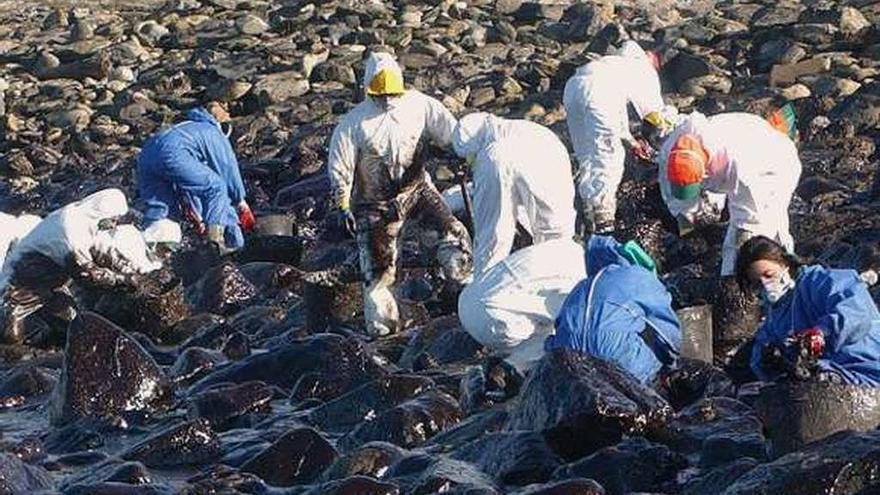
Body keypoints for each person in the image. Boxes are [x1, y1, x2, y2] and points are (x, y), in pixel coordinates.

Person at [327, 51, 472, 336]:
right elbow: (339, 166)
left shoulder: (421, 106)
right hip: (374, 205)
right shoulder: (354, 123)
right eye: (381, 94)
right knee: (380, 273)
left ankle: (464, 297)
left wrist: (461, 152)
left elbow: (448, 132)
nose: (387, 99)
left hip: (417, 190)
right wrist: (342, 202)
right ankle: (385, 332)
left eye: (392, 93)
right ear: (368, 89)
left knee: (453, 235)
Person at [0, 189, 161, 344]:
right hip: (18, 289)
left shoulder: (88, 221)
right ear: (102, 212)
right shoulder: (69, 226)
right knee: (11, 336)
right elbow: (86, 274)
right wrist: (125, 280)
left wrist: (137, 271)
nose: (114, 224)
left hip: (51, 289)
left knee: (75, 329)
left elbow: (103, 252)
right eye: (113, 219)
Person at [658, 111, 802, 276]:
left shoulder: (742, 166)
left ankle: (786, 274)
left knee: (762, 235)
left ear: (704, 169)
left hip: (774, 167)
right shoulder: (669, 151)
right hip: (726, 167)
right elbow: (673, 194)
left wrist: (740, 254)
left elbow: (748, 221)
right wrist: (686, 223)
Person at [736, 236, 880, 387]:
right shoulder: (775, 316)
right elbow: (761, 353)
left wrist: (821, 332)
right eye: (758, 283)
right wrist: (769, 362)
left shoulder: (820, 281)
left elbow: (856, 314)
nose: (766, 285)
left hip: (867, 366)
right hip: (826, 377)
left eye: (769, 275)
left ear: (784, 264)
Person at [452, 112, 577, 277]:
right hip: (545, 152)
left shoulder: (490, 151)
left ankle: (483, 292)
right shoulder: (534, 131)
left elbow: (490, 222)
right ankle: (563, 282)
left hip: (494, 160)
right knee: (556, 234)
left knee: (492, 240)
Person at [563, 40, 670, 234]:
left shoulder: (613, 64)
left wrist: (631, 142)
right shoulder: (642, 67)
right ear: (651, 56)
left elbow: (617, 116)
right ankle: (605, 224)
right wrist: (664, 141)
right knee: (608, 159)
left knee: (586, 156)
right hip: (599, 94)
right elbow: (654, 115)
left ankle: (587, 214)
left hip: (573, 88)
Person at [546, 235, 681, 384]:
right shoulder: (639, 276)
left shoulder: (581, 286)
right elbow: (666, 330)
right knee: (648, 374)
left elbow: (559, 326)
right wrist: (671, 364)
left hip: (571, 357)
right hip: (615, 352)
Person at [137, 103, 255, 253]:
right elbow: (227, 168)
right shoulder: (213, 133)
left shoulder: (188, 127)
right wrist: (241, 201)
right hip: (171, 152)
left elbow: (190, 189)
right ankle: (215, 244)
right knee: (216, 186)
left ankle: (149, 242)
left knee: (161, 206)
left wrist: (199, 218)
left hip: (147, 153)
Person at [458, 238, 587, 372]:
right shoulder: (582, 282)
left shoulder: (568, 247)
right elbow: (574, 328)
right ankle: (512, 367)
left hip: (466, 299)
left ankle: (503, 353)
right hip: (492, 319)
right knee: (562, 333)